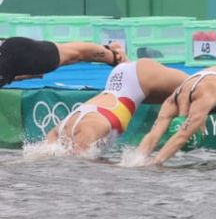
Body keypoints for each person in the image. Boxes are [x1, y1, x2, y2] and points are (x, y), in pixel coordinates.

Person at [43, 59, 187, 154]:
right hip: (119, 84)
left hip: (139, 76)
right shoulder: (89, 129)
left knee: (195, 85)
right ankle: (124, 59)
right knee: (186, 92)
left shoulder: (81, 130)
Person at [1, 37, 127, 87]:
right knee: (73, 54)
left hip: (18, 54)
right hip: (15, 57)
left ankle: (115, 56)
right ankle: (112, 53)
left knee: (76, 54)